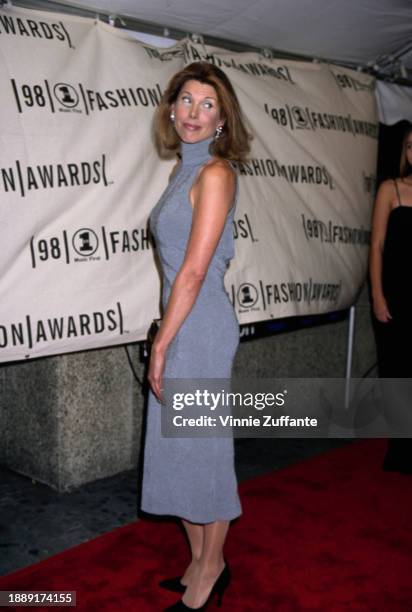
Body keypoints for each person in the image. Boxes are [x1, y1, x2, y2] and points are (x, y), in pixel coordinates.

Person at [140, 61, 251, 610]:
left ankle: (212, 569)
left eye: (208, 104)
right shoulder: (181, 172)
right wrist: (164, 333)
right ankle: (198, 559)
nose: (193, 113)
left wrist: (162, 342)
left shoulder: (216, 174)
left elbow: (193, 271)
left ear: (223, 118)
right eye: (186, 100)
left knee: (201, 452)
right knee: (176, 450)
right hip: (182, 322)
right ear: (171, 107)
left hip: (199, 328)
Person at [369, 124, 412, 473]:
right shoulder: (390, 189)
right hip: (395, 294)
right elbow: (377, 246)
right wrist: (378, 296)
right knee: (396, 372)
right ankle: (400, 449)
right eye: (410, 146)